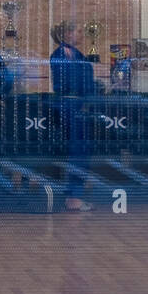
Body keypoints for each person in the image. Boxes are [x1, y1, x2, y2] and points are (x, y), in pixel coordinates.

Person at [49, 22, 95, 212]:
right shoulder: (62, 55)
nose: (82, 35)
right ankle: (73, 197)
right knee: (78, 151)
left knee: (79, 151)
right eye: (79, 31)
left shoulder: (73, 54)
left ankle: (74, 194)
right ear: (67, 34)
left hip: (76, 106)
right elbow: (71, 83)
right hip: (72, 107)